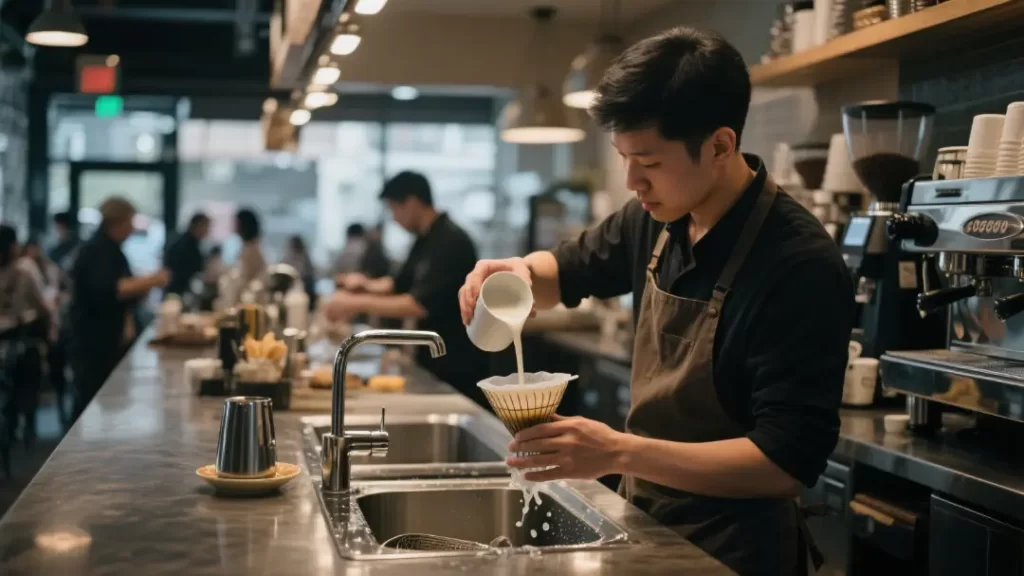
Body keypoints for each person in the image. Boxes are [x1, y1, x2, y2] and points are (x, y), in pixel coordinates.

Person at [458, 28, 853, 575]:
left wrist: (619, 452)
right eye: (623, 157)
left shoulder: (798, 263)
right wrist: (513, 272)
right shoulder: (658, 216)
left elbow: (784, 464)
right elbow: (567, 271)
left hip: (735, 552)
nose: (631, 181)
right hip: (646, 527)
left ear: (720, 145)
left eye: (648, 161)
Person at [326, 171, 489, 407]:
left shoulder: (451, 242)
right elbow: (397, 284)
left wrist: (354, 303)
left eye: (394, 209)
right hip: (431, 359)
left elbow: (418, 305)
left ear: (411, 203)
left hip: (454, 363)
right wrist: (363, 285)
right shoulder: (425, 238)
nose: (394, 218)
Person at [69, 197, 170, 421]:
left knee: (103, 404)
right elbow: (111, 288)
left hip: (105, 336)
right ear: (118, 222)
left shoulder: (110, 249)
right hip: (94, 339)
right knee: (90, 405)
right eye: (130, 222)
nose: (133, 228)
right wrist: (152, 280)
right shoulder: (97, 250)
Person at [0, 226, 52, 455]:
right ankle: (26, 429)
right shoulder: (24, 269)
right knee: (27, 377)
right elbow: (43, 306)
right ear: (13, 245)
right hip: (19, 342)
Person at [164, 213, 210, 296]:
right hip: (179, 292)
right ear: (197, 225)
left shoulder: (192, 243)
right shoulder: (184, 245)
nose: (207, 230)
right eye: (205, 226)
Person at [235, 208, 266, 286]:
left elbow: (247, 277)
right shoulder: (248, 247)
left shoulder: (252, 250)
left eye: (237, 223)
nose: (234, 225)